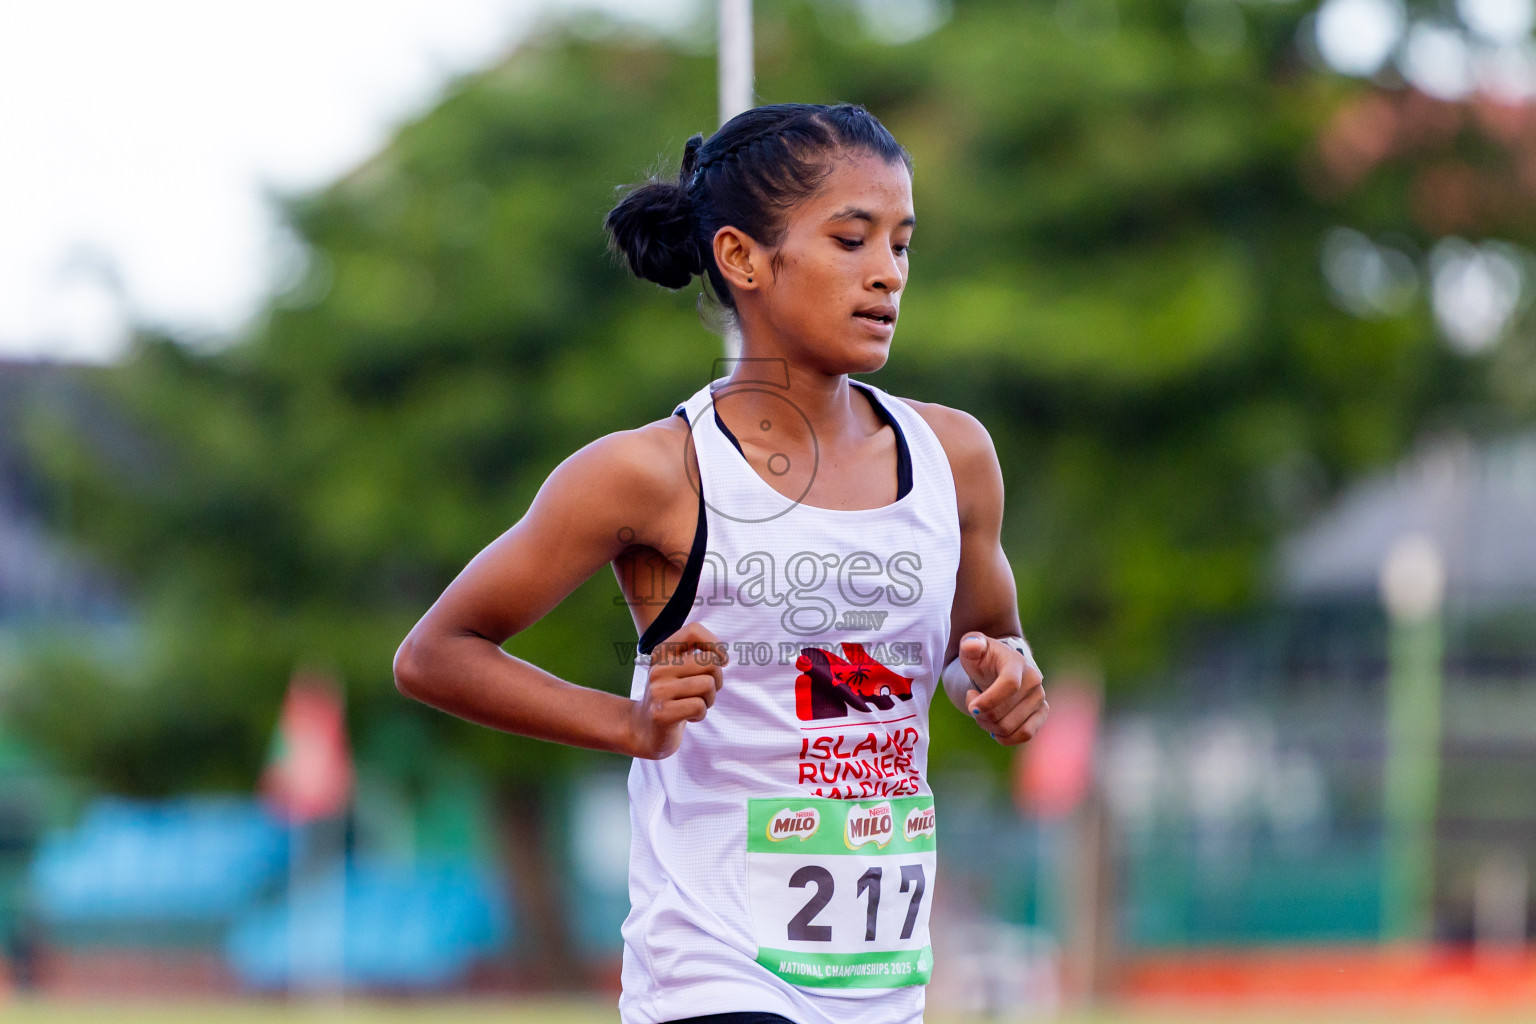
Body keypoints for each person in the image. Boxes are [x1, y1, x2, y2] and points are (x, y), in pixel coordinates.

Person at [393, 101, 1047, 1024]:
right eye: (851, 240)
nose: (887, 275)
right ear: (743, 258)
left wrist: (1003, 675)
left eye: (901, 244)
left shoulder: (954, 457)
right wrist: (630, 722)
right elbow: (436, 652)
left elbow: (983, 641)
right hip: (714, 973)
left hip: (878, 984)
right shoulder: (653, 473)